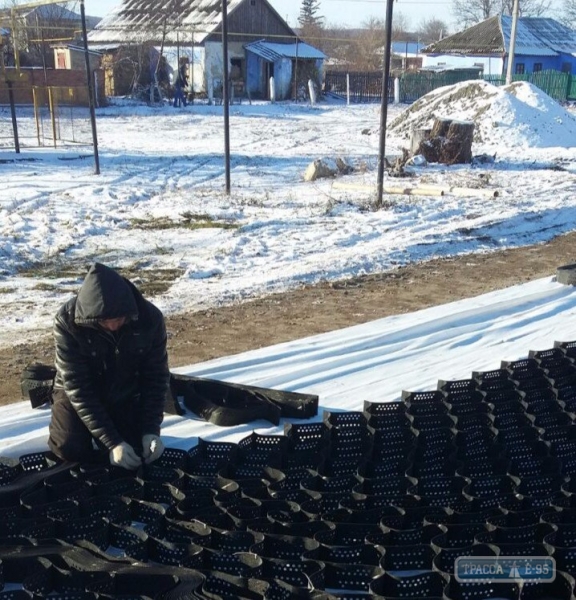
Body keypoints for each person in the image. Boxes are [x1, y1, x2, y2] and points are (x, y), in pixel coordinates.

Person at [48, 262, 170, 470]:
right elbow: (78, 389)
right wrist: (112, 442)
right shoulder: (67, 321)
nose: (113, 326)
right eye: (105, 322)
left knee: (138, 452)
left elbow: (156, 378)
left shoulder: (150, 319)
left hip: (125, 389)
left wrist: (151, 429)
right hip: (77, 393)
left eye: (119, 319)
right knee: (69, 448)